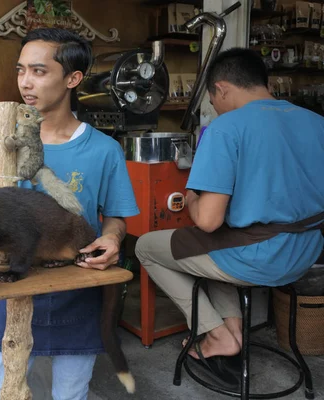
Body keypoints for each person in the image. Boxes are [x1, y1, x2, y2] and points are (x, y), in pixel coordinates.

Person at [135, 48, 324, 387]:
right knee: (212, 248)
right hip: (305, 255)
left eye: (212, 100)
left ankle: (216, 333)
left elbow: (207, 220)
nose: (214, 108)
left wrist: (193, 196)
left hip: (256, 258)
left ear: (221, 89)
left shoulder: (226, 128)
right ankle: (233, 331)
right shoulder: (316, 122)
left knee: (147, 247)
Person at [0, 28, 140, 399]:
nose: (25, 83)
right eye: (20, 71)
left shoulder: (104, 151)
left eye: (39, 71)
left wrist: (111, 237)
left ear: (73, 79)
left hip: (76, 292)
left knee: (71, 392)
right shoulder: (1, 148)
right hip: (11, 289)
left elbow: (115, 216)